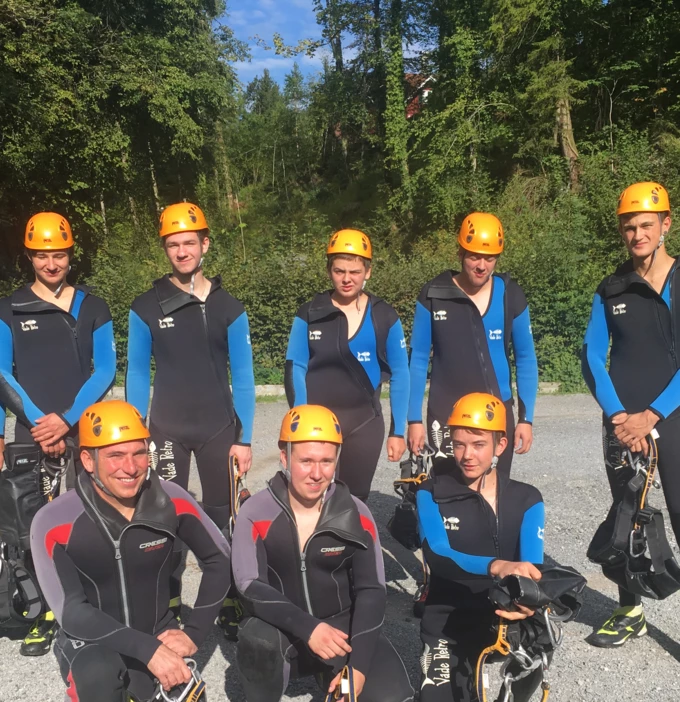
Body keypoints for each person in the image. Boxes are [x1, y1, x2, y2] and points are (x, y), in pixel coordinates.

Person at [30, 400, 231, 702]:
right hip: (93, 641)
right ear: (87, 460)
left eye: (140, 452)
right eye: (116, 455)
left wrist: (192, 633)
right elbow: (71, 612)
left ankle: (143, 696)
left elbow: (220, 560)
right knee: (98, 675)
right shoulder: (54, 521)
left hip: (154, 631)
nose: (131, 466)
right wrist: (149, 651)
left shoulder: (170, 498)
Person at [231, 404, 414, 702]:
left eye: (327, 461)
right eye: (306, 460)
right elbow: (248, 585)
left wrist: (359, 665)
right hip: (284, 628)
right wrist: (307, 628)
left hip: (339, 631)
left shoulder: (356, 512)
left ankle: (333, 684)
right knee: (255, 637)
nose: (317, 473)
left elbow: (373, 590)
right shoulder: (256, 512)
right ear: (284, 456)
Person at [126, 202, 255, 635]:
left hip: (220, 429)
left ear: (205, 244)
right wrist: (134, 433)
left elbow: (246, 376)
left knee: (224, 519)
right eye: (173, 244)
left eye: (189, 243)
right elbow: (138, 373)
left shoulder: (230, 307)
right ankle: (169, 600)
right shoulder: (146, 307)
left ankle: (230, 598)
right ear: (165, 249)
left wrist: (246, 437)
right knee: (165, 520)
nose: (181, 252)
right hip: (166, 429)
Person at [0, 212, 116, 655]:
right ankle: (45, 608)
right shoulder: (8, 308)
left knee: (90, 516)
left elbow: (104, 368)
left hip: (83, 427)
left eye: (60, 254)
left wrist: (67, 418)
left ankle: (90, 601)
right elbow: (1, 372)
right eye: (42, 255)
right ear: (29, 256)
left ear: (71, 254)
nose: (52, 263)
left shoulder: (94, 306)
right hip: (32, 430)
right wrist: (38, 421)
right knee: (34, 524)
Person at [416, 392, 546, 702]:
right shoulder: (430, 492)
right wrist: (497, 565)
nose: (467, 454)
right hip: (447, 629)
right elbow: (438, 555)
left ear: (500, 445)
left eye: (478, 444)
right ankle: (465, 682)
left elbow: (532, 568)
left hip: (500, 625)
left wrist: (529, 603)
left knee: (541, 634)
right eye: (458, 444)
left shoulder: (527, 498)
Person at [582, 181, 679, 647]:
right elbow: (591, 354)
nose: (637, 234)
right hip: (622, 425)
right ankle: (629, 611)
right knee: (627, 513)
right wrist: (621, 416)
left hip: (673, 415)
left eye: (646, 224)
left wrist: (653, 415)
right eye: (629, 226)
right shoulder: (612, 287)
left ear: (666, 224)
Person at [407, 213, 538, 475]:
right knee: (448, 497)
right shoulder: (434, 294)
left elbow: (525, 358)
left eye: (489, 258)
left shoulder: (510, 294)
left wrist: (526, 419)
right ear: (460, 253)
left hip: (495, 414)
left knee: (494, 496)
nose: (481, 265)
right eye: (474, 256)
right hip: (446, 414)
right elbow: (418, 359)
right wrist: (413, 420)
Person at [285, 229, 409, 500]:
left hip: (364, 424)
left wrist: (398, 431)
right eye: (339, 271)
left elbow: (401, 374)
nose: (346, 279)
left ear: (368, 272)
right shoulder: (309, 312)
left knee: (353, 503)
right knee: (313, 500)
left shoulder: (384, 316)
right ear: (329, 270)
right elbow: (295, 366)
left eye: (354, 272)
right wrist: (300, 424)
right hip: (316, 427)